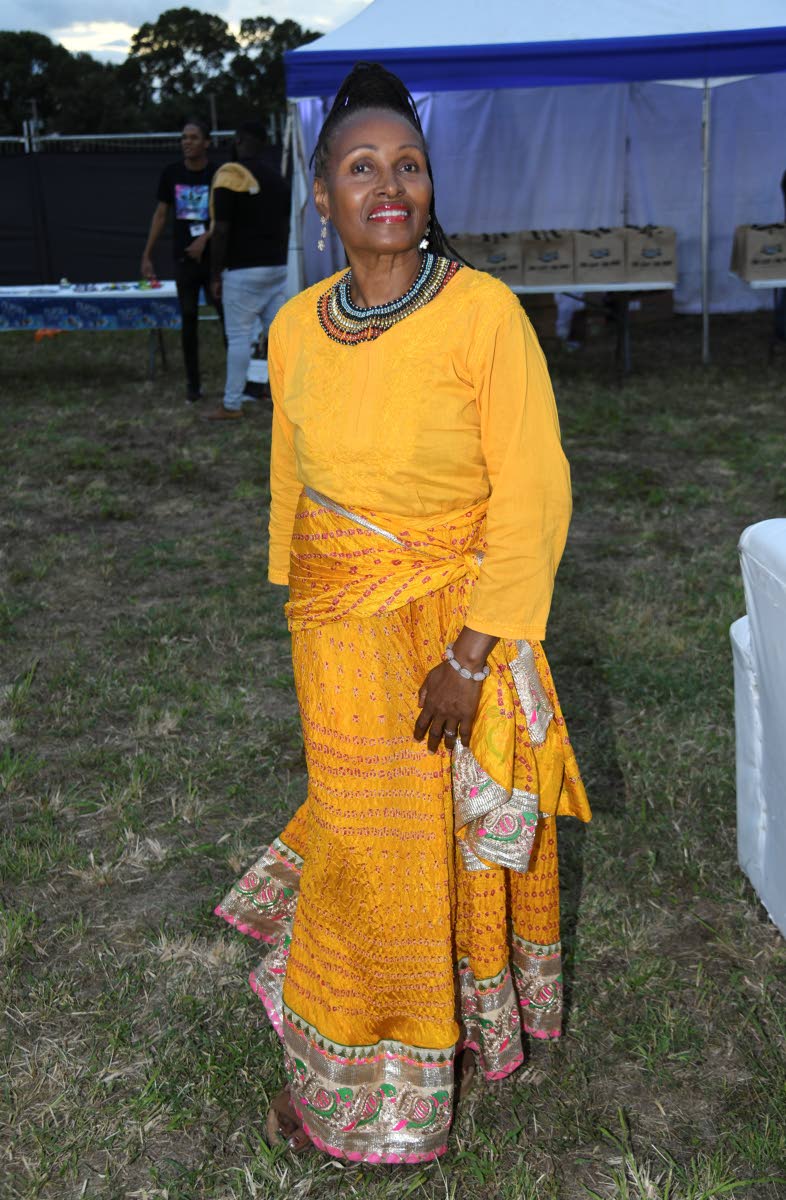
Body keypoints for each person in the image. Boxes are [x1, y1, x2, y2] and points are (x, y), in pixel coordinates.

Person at [215, 63, 591, 1164]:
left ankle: (392, 1064)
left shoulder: (482, 315)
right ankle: (362, 1055)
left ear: (431, 191)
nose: (391, 184)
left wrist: (472, 656)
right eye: (362, 167)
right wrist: (309, 610)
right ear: (323, 200)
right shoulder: (290, 328)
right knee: (369, 848)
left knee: (441, 848)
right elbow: (294, 481)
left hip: (455, 635)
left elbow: (534, 491)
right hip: (337, 639)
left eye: (410, 165)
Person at [206, 122, 290, 421]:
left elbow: (221, 230)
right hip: (278, 266)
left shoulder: (230, 176)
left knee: (240, 338)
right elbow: (284, 226)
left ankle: (231, 405)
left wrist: (215, 273)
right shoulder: (278, 179)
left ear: (238, 140)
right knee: (281, 338)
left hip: (242, 270)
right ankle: (291, 399)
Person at [141, 116, 223, 403]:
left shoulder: (217, 174)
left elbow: (224, 217)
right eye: (183, 138)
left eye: (193, 137)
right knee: (188, 320)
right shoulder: (171, 173)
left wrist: (206, 239)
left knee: (227, 320)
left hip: (214, 262)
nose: (187, 143)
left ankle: (238, 384)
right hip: (184, 260)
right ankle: (193, 387)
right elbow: (161, 214)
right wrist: (147, 254)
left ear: (207, 143)